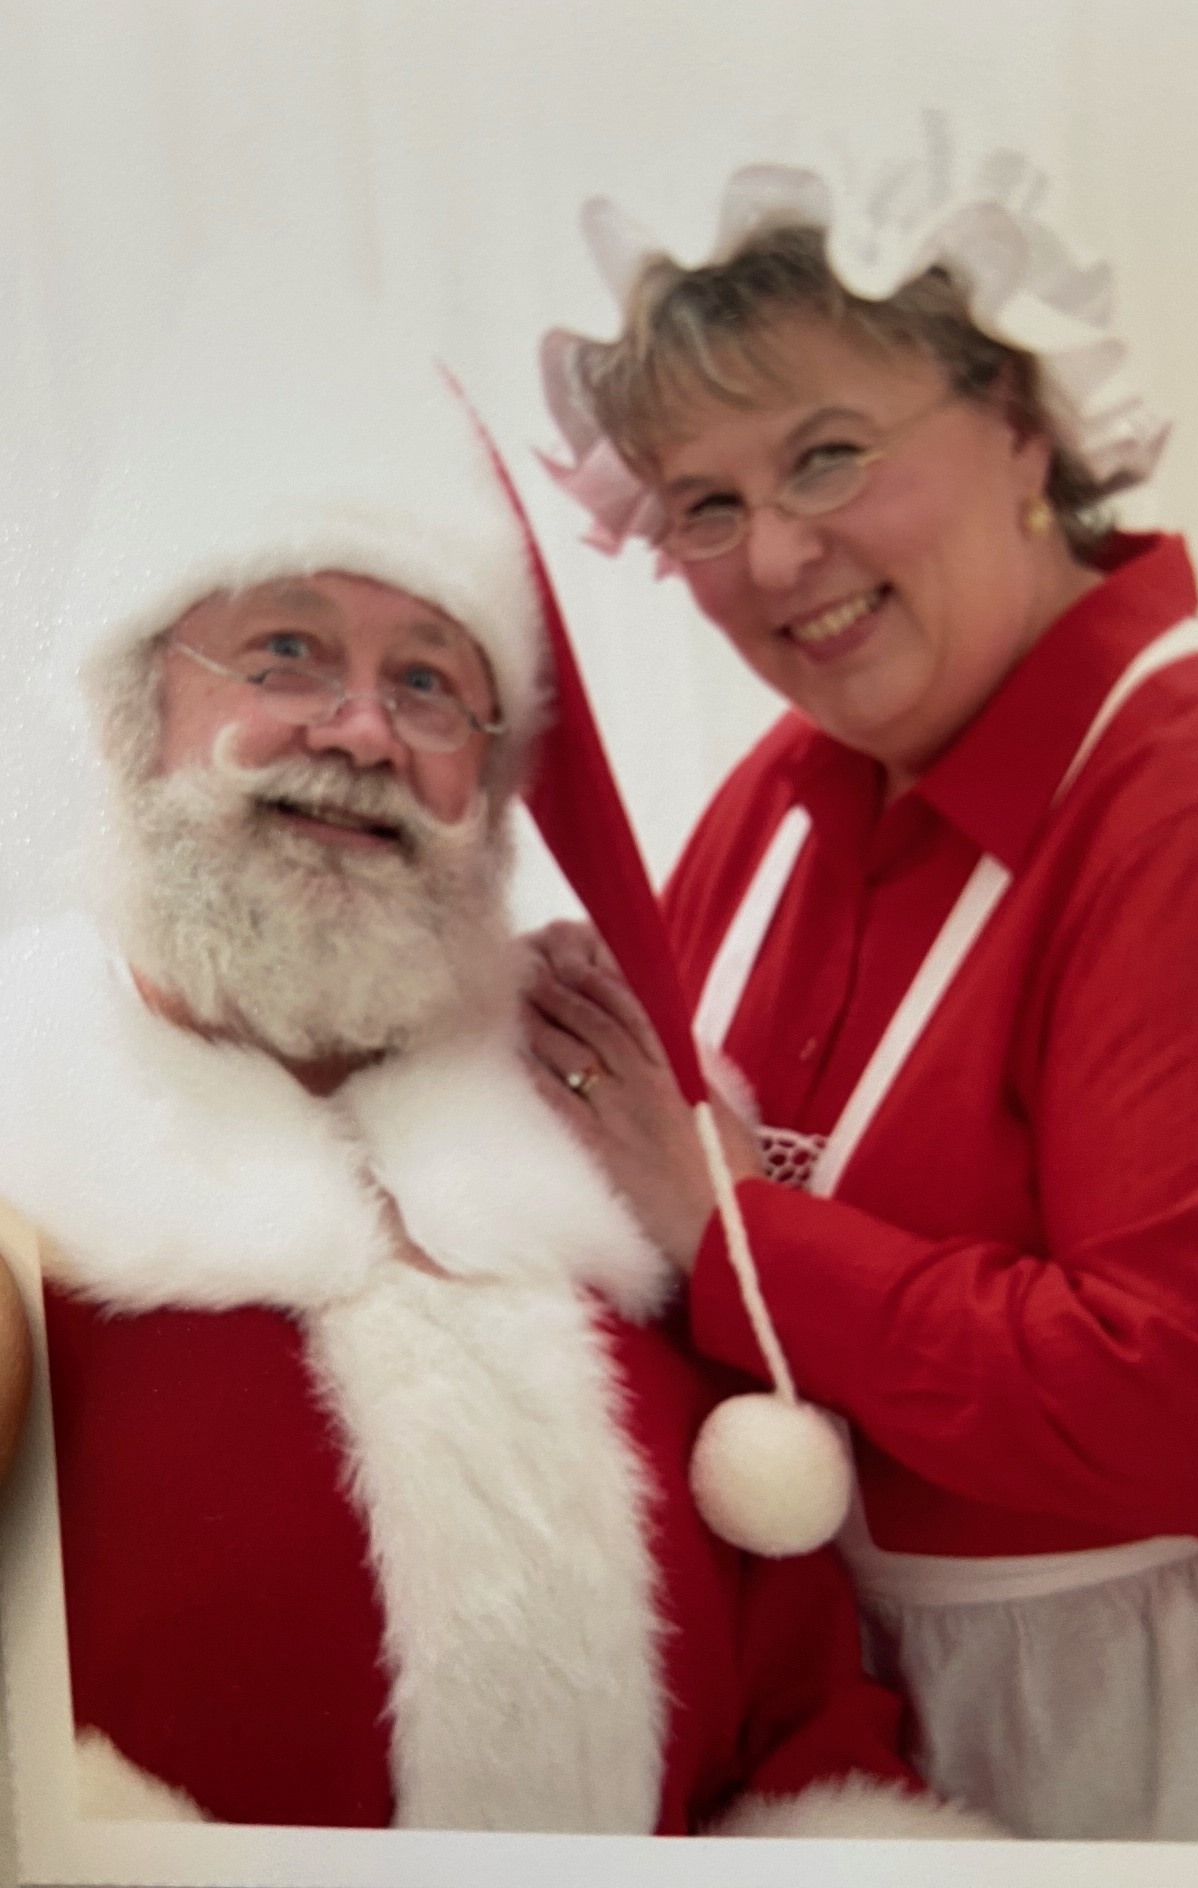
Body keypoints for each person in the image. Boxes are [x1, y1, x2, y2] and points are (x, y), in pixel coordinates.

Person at [0, 311, 994, 1839]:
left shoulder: (605, 1125)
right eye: (287, 652)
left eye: (429, 685)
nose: (362, 733)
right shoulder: (26, 1143)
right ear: (143, 706)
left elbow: (806, 1713)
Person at [527, 127, 1198, 1841]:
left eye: (828, 457)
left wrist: (733, 1233)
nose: (777, 559)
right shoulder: (782, 794)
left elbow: (1197, 1408)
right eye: (708, 506)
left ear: (1023, 426)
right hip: (828, 1702)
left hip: (1124, 1727)